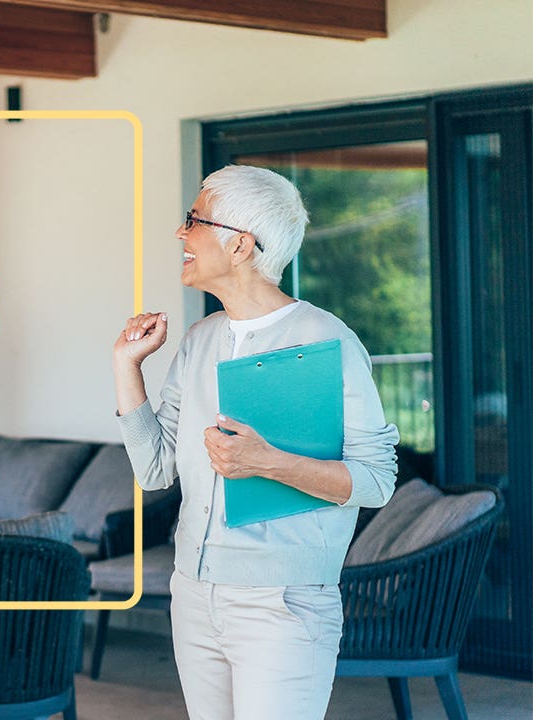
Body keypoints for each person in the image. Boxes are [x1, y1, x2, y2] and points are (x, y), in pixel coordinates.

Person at [112, 165, 399, 720]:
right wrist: (126, 367)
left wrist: (269, 462)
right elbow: (154, 470)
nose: (180, 234)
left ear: (240, 244)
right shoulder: (200, 341)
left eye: (194, 220)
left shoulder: (327, 340)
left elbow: (376, 480)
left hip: (284, 604)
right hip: (194, 596)